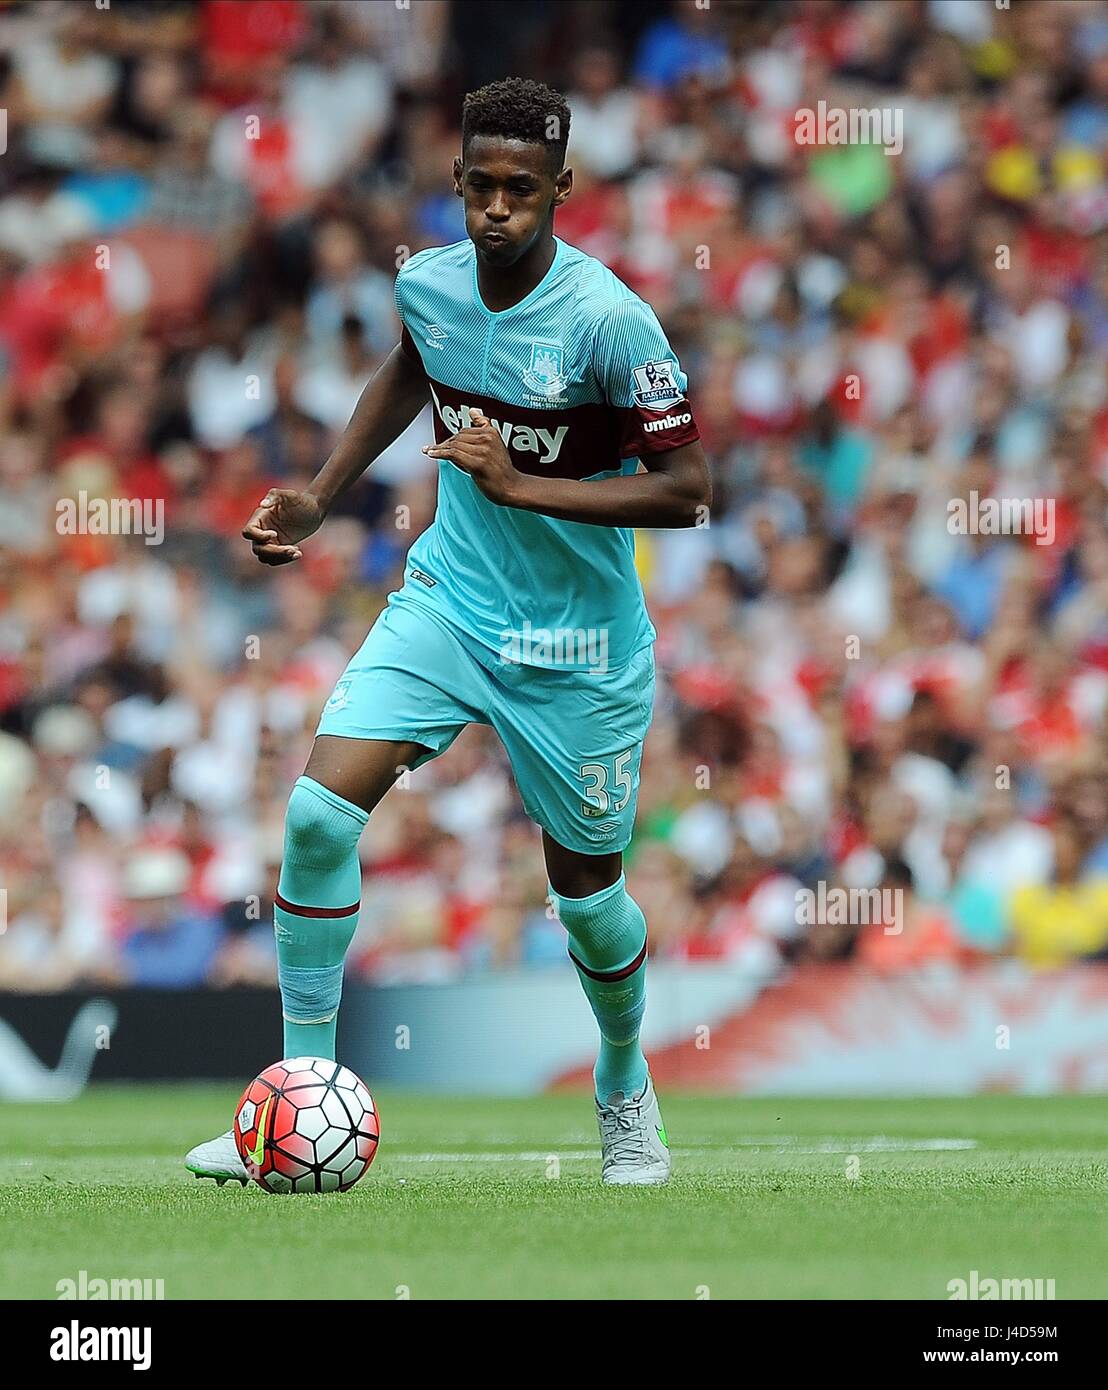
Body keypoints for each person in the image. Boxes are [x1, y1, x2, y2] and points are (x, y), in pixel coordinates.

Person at [185, 77, 710, 1188]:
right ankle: (296, 1102)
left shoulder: (612, 322)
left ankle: (624, 1086)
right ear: (457, 183)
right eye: (481, 185)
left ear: (562, 190)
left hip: (578, 649)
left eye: (523, 189)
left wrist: (525, 488)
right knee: (319, 817)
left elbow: (688, 490)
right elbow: (413, 367)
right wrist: (323, 494)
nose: (498, 208)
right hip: (449, 604)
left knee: (589, 903)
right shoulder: (427, 284)